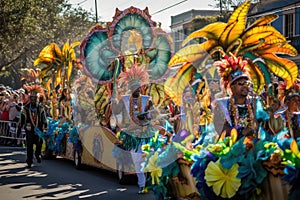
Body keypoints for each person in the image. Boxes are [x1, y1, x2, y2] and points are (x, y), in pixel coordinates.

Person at [111, 65, 156, 194]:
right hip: (132, 136)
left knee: (148, 158)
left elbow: (154, 114)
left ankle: (149, 182)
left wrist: (147, 115)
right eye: (133, 88)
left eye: (138, 87)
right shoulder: (125, 99)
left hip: (146, 134)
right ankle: (142, 185)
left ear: (141, 87)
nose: (136, 89)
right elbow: (117, 110)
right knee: (137, 161)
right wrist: (114, 101)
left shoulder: (147, 99)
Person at [21, 89, 47, 168]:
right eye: (31, 98)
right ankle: (29, 160)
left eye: (34, 98)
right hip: (29, 129)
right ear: (30, 98)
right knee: (29, 145)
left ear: (37, 99)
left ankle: (37, 154)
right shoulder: (26, 108)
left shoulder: (40, 108)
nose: (33, 100)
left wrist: (45, 124)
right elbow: (23, 117)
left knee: (39, 142)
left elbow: (43, 117)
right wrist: (23, 124)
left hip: (38, 128)